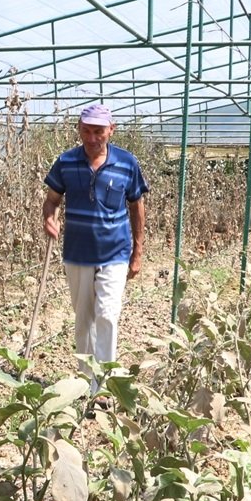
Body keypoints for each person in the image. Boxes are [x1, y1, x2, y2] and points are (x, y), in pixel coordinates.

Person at [41, 104, 148, 388]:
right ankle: (85, 382)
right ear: (79, 129)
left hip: (115, 252)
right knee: (83, 318)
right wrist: (49, 219)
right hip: (77, 253)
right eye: (86, 131)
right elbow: (52, 200)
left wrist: (137, 253)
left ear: (111, 130)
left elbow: (137, 206)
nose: (91, 138)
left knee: (107, 315)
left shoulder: (127, 163)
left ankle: (102, 383)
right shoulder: (65, 162)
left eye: (98, 131)